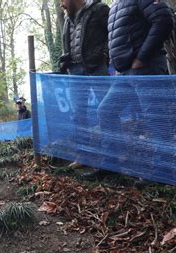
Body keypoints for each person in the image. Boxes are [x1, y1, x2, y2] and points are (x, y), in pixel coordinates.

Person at [83, 0, 174, 184]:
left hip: (146, 68)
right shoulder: (116, 5)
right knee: (106, 111)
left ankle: (161, 172)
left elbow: (164, 19)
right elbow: (117, 38)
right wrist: (117, 65)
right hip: (124, 73)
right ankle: (111, 165)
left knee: (155, 119)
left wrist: (142, 58)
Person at [59, 0, 110, 168]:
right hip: (75, 71)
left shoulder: (100, 9)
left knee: (107, 111)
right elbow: (67, 45)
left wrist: (104, 54)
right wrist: (64, 60)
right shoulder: (67, 20)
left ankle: (112, 156)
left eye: (62, 0)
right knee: (78, 113)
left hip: (97, 68)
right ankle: (83, 155)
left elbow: (113, 34)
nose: (61, 4)